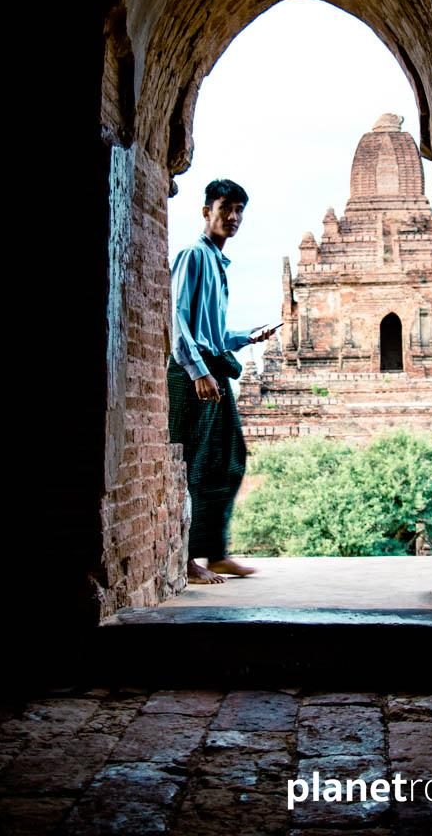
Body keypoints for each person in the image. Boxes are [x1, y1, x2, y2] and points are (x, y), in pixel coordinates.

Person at [167, 178, 276, 584]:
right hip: (193, 375)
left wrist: (248, 336)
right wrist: (197, 371)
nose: (232, 217)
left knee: (228, 460)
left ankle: (215, 553)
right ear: (206, 211)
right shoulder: (193, 256)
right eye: (225, 208)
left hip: (213, 370)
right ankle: (187, 560)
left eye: (239, 210)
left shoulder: (217, 262)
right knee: (193, 465)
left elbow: (210, 333)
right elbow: (177, 319)